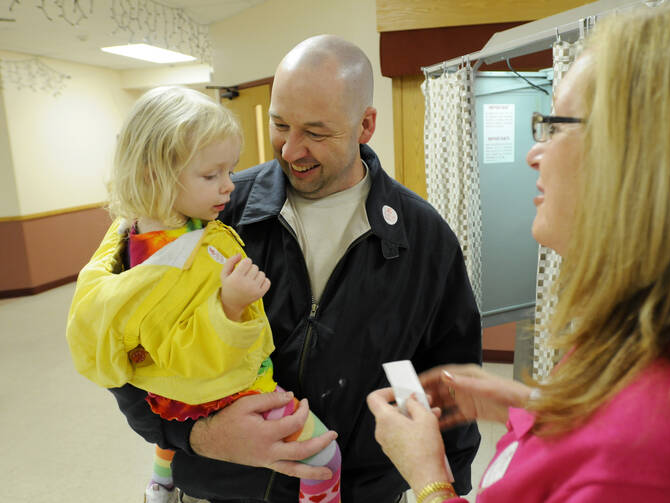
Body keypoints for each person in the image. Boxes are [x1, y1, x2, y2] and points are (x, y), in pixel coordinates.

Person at [70, 35, 482, 502]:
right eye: (280, 124)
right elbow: (121, 341)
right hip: (218, 486)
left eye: (317, 132)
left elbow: (447, 376)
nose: (290, 150)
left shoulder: (423, 238)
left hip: (360, 490)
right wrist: (196, 437)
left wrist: (448, 485)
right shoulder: (203, 210)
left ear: (365, 125)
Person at [367, 1, 670, 502]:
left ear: (643, 157)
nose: (533, 152)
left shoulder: (658, 446)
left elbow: (618, 450)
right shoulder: (637, 336)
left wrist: (429, 477)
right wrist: (529, 404)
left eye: (557, 125)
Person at [66, 86, 342, 503]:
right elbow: (178, 353)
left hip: (175, 398)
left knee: (168, 416)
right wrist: (230, 306)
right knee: (325, 455)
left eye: (230, 171)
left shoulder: (167, 225)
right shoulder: (158, 266)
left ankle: (160, 482)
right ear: (152, 175)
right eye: (211, 175)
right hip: (221, 389)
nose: (229, 187)